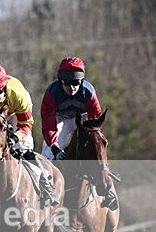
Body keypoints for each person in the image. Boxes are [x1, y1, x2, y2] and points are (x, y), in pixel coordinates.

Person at [0, 63, 59, 207]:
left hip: (16, 111)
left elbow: (26, 124)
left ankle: (46, 186)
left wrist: (15, 137)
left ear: (4, 87)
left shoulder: (18, 95)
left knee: (24, 149)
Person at [40, 56, 117, 210]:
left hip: (82, 119)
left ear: (81, 81)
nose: (72, 87)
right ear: (60, 81)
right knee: (47, 153)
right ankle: (46, 191)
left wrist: (90, 138)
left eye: (76, 83)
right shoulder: (51, 93)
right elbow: (49, 125)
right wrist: (55, 147)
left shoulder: (88, 92)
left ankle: (108, 190)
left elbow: (95, 120)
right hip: (59, 118)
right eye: (67, 83)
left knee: (96, 148)